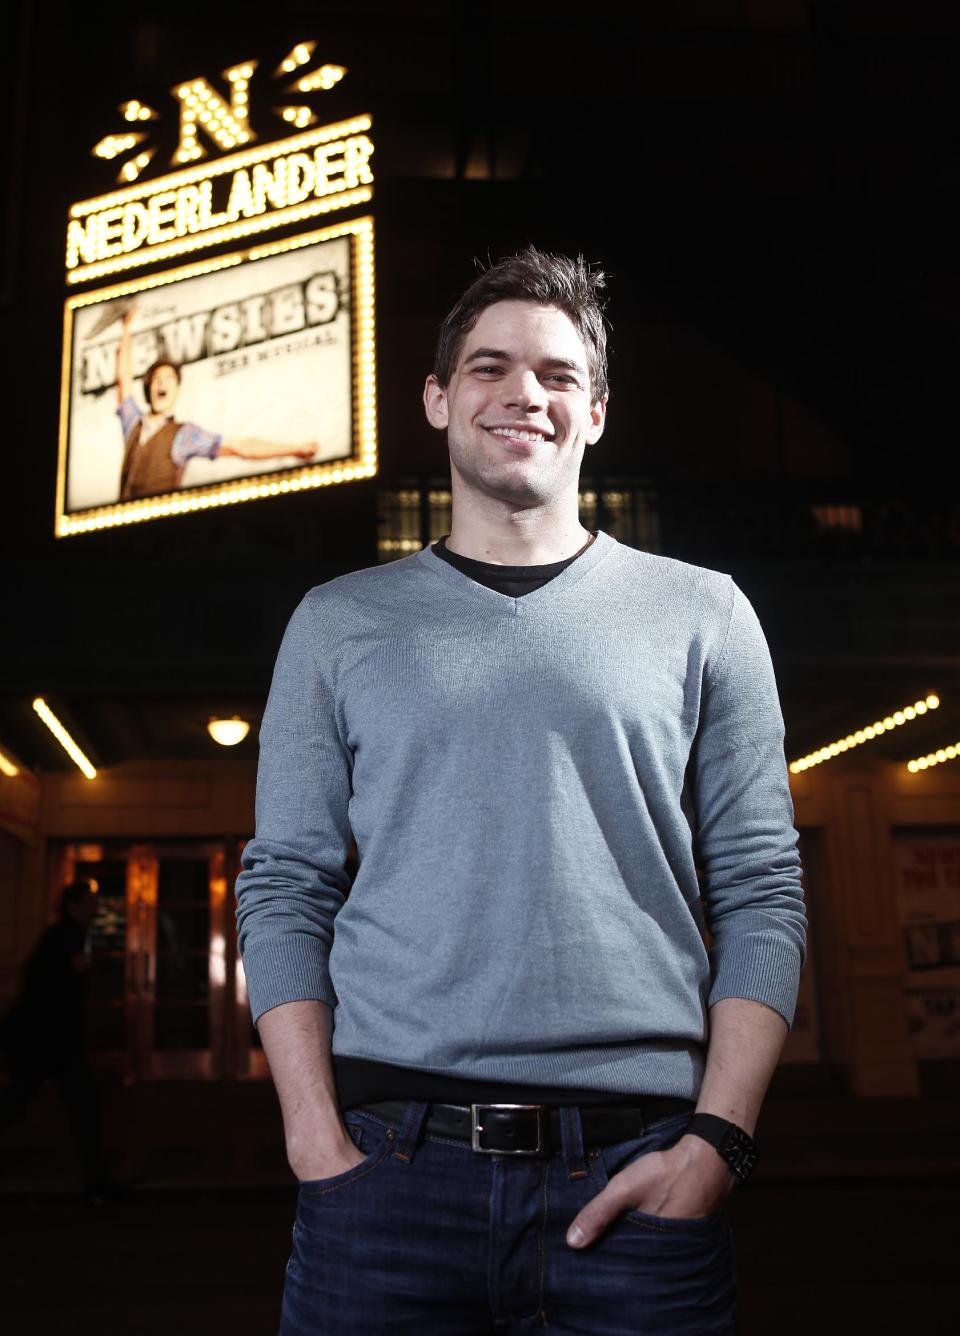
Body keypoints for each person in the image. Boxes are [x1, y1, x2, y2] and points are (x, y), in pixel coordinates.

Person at [235, 245, 807, 1333]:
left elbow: (762, 887)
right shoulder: (337, 622)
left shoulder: (706, 613)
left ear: (595, 412)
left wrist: (719, 1140)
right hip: (387, 1177)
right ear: (439, 400)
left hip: (642, 1176)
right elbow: (284, 885)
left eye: (556, 374)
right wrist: (315, 1137)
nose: (523, 394)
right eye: (490, 367)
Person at [115, 301, 317, 501]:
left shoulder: (185, 435)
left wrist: (295, 449)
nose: (162, 384)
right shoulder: (133, 422)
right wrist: (126, 329)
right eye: (157, 379)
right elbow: (123, 380)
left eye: (169, 379)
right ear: (148, 387)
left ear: (177, 390)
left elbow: (241, 447)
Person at [0, 878, 116, 1202]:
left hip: (50, 1043)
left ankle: (98, 1181)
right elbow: (44, 992)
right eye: (90, 903)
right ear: (74, 906)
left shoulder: (72, 936)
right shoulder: (61, 939)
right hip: (48, 1043)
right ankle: (98, 1183)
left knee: (28, 1103)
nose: (95, 908)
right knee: (32, 1104)